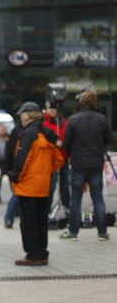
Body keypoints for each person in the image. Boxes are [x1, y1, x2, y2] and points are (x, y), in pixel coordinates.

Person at [10, 102, 64, 266]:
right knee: (41, 221)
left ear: (26, 116)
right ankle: (42, 253)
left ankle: (33, 255)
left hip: (28, 186)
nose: (21, 119)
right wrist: (45, 172)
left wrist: (15, 177)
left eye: (21, 116)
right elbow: (59, 160)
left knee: (28, 222)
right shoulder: (47, 133)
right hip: (43, 186)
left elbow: (22, 160)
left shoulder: (27, 134)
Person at [61, 91, 113, 242]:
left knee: (76, 199)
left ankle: (73, 233)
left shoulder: (73, 120)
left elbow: (65, 144)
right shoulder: (102, 119)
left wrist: (73, 153)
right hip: (96, 163)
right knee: (98, 198)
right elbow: (109, 139)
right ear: (95, 103)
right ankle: (102, 232)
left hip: (78, 164)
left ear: (81, 102)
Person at [42, 100, 70, 227]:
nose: (53, 110)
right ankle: (46, 213)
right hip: (50, 160)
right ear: (46, 109)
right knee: (50, 187)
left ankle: (68, 212)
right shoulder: (43, 122)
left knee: (65, 187)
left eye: (55, 108)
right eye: (50, 108)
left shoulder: (63, 123)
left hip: (63, 158)